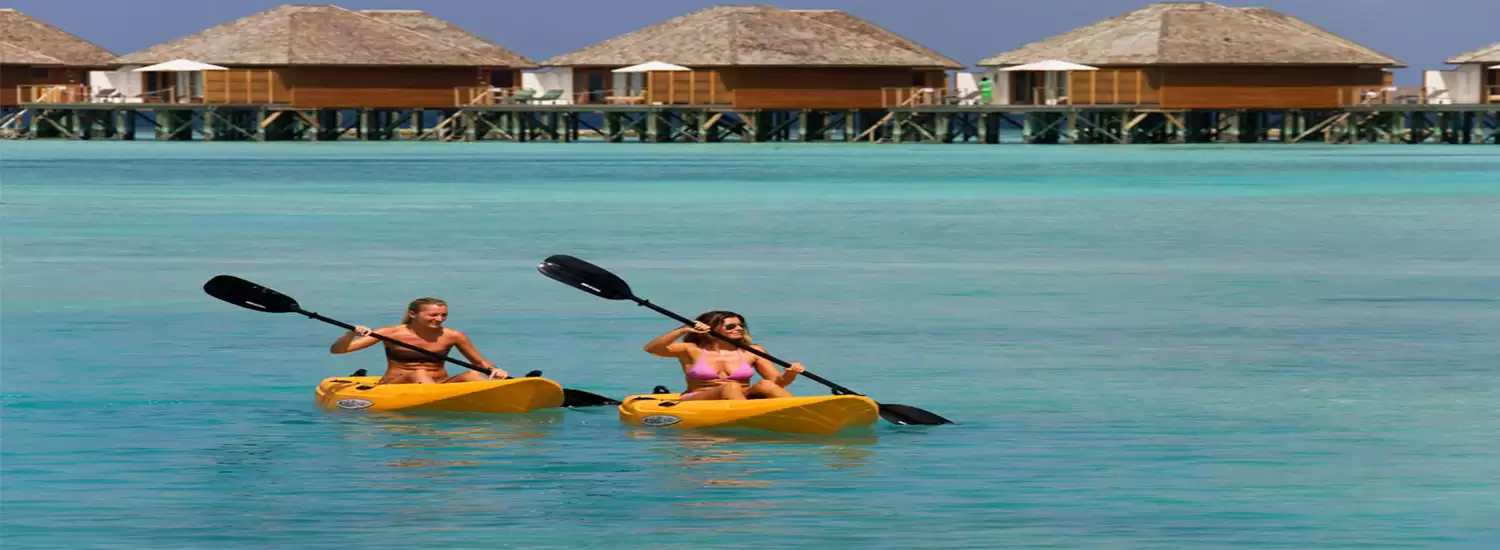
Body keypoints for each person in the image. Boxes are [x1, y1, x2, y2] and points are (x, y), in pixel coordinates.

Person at [329, 297, 507, 384]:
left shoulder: (453, 335)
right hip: (396, 385)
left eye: (443, 315)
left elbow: (479, 362)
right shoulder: (389, 333)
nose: (439, 319)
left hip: (439, 384)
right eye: (433, 315)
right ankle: (437, 402)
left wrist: (494, 370)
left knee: (472, 375)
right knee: (419, 373)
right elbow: (338, 350)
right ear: (413, 314)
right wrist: (351, 334)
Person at [643, 310, 804, 401]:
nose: (739, 329)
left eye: (741, 325)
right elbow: (652, 348)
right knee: (730, 386)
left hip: (741, 398)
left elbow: (779, 383)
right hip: (699, 398)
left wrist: (790, 374)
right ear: (712, 328)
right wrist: (683, 329)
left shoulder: (752, 351)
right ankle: (745, 416)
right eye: (731, 326)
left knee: (766, 385)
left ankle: (802, 412)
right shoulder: (691, 349)